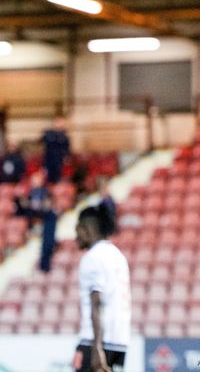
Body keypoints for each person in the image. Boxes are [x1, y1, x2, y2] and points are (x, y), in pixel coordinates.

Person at [73, 202, 130, 372]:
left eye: (77, 230)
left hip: (95, 342)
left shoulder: (92, 258)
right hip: (119, 342)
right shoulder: (118, 256)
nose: (76, 237)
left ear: (87, 228)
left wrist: (96, 347)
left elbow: (97, 302)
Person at [41, 115, 70, 183]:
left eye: (62, 123)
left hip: (59, 161)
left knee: (58, 178)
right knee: (48, 178)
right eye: (59, 122)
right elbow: (43, 142)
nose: (61, 124)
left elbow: (66, 148)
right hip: (49, 159)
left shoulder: (64, 136)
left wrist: (66, 157)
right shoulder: (48, 133)